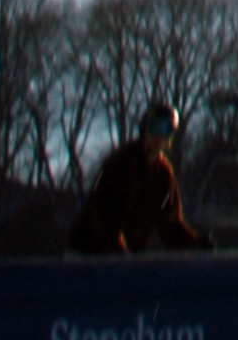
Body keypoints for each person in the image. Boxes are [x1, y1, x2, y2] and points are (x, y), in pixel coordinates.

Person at [66, 99, 211, 255]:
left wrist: (195, 243)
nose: (157, 136)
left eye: (165, 129)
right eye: (153, 127)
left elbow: (169, 223)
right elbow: (102, 214)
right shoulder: (121, 163)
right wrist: (118, 253)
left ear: (170, 136)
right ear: (145, 128)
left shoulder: (163, 175)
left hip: (124, 257)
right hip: (88, 251)